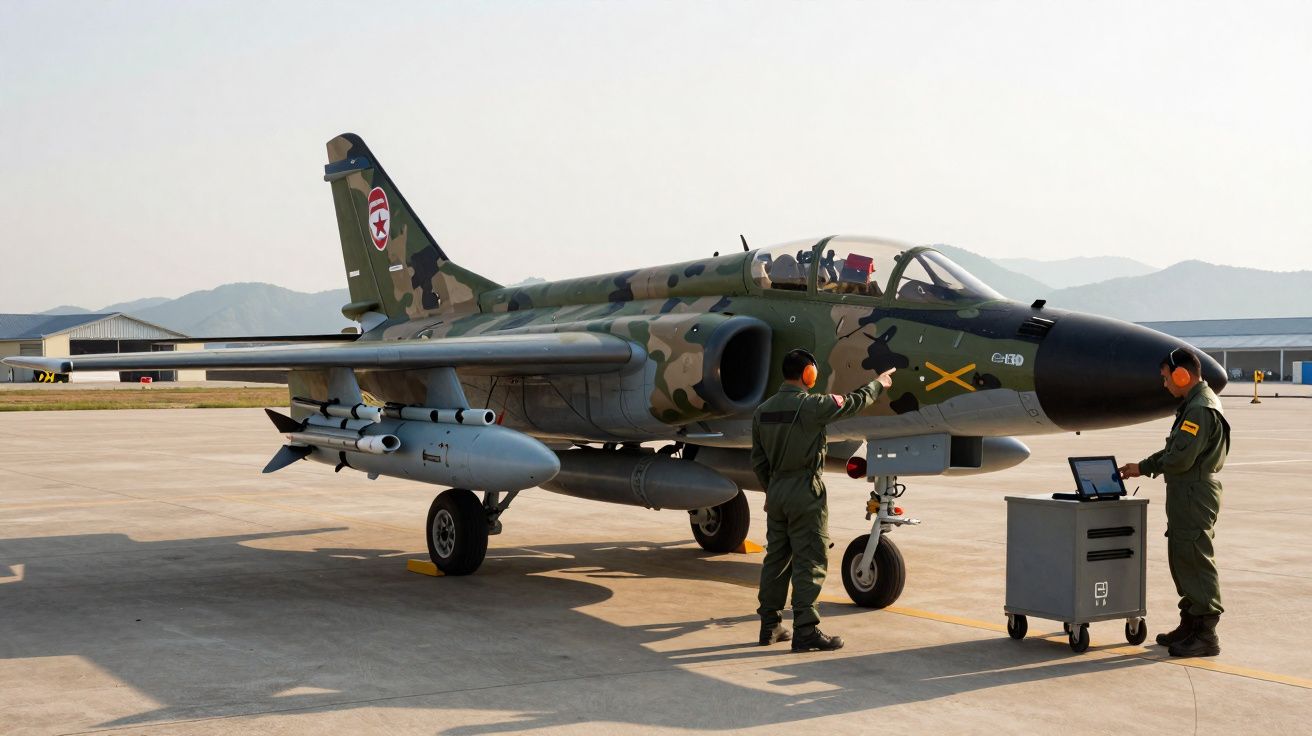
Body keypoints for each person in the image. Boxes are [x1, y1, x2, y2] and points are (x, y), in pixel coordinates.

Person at [751, 348, 895, 652]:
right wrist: (878, 384)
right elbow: (854, 402)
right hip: (805, 491)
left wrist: (774, 490)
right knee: (810, 559)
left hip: (777, 492)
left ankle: (769, 626)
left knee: (776, 559)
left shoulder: (762, 411)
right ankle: (805, 630)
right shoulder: (812, 406)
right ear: (809, 375)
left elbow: (759, 462)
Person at [1118, 348, 1230, 658]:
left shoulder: (1199, 409)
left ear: (1182, 375)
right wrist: (1142, 466)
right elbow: (1177, 451)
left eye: (1166, 377)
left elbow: (1180, 459)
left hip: (1194, 492)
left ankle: (1206, 634)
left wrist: (1147, 467)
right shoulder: (1194, 405)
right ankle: (1190, 623)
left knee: (1195, 558)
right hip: (1187, 492)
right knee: (1182, 556)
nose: (1165, 384)